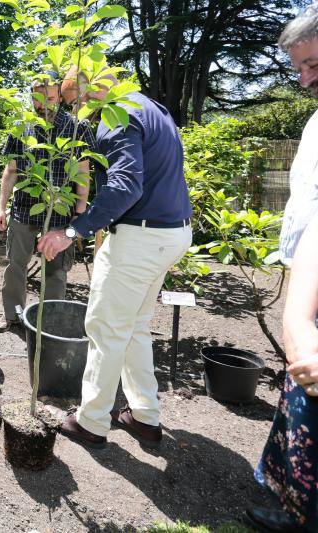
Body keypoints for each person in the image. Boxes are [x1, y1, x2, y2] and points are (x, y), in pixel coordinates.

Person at [37, 70, 192, 449]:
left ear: (90, 89)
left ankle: (90, 422)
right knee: (135, 326)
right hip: (172, 232)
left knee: (105, 327)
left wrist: (73, 231)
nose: (79, 112)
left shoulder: (115, 114)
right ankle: (144, 416)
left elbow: (126, 185)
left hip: (141, 238)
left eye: (75, 102)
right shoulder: (151, 107)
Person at [245, 6, 318, 531]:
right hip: (308, 282)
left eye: (314, 64)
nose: (306, 79)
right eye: (299, 68)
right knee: (302, 401)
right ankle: (295, 506)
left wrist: (298, 317)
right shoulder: (316, 121)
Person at [0, 73, 94, 333]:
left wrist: (79, 212)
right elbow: (11, 170)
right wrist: (1, 207)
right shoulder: (22, 126)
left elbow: (83, 173)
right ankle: (12, 314)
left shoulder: (76, 127)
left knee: (56, 271)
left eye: (49, 98)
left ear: (59, 97)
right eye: (38, 98)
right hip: (23, 210)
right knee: (15, 266)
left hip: (59, 215)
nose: (43, 104)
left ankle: (50, 321)